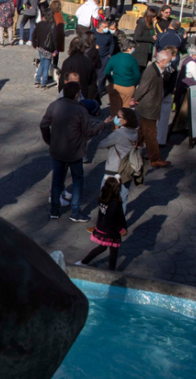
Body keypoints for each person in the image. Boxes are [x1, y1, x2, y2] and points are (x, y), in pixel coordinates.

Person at [40, 80, 110, 222]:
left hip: (57, 150)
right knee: (77, 180)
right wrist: (103, 124)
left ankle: (54, 210)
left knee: (56, 180)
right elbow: (89, 132)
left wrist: (49, 141)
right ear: (77, 94)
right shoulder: (81, 110)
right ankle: (75, 211)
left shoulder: (54, 106)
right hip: (75, 152)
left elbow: (43, 125)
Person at [73, 177, 128, 270]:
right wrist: (121, 229)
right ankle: (112, 271)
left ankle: (83, 262)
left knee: (102, 248)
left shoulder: (103, 198)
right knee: (113, 252)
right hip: (111, 232)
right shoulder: (115, 203)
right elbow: (112, 220)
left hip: (102, 228)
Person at [132, 50, 171, 168]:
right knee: (151, 133)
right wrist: (135, 98)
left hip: (150, 105)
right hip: (149, 107)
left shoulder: (156, 69)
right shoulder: (152, 71)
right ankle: (154, 158)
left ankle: (133, 148)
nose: (169, 64)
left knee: (143, 130)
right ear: (163, 60)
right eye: (168, 61)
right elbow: (143, 87)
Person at [97, 107, 138, 212]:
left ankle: (103, 225)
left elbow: (102, 144)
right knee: (122, 197)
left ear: (125, 120)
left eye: (118, 116)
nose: (116, 118)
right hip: (127, 169)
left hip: (113, 170)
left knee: (105, 197)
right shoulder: (134, 133)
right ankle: (120, 225)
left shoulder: (118, 134)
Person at [102, 38, 142, 114]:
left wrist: (111, 81)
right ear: (129, 48)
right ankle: (124, 125)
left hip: (115, 85)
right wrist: (134, 85)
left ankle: (115, 125)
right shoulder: (133, 60)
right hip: (128, 87)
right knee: (125, 110)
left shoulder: (114, 57)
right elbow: (137, 75)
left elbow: (107, 71)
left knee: (114, 110)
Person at [60, 37, 98, 102]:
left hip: (70, 96)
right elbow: (93, 81)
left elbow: (62, 81)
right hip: (85, 95)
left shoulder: (67, 62)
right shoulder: (88, 61)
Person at [32, 9, 59, 88]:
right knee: (46, 67)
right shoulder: (52, 25)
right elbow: (54, 39)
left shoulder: (39, 24)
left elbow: (34, 35)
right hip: (48, 49)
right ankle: (43, 83)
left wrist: (35, 44)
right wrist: (55, 50)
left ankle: (37, 81)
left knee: (41, 65)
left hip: (40, 48)